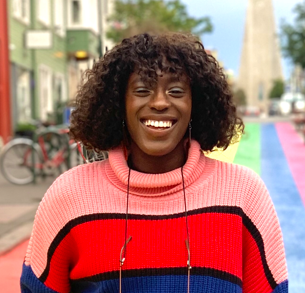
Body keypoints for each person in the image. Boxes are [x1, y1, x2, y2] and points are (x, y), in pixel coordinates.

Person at [20, 33, 288, 293]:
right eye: (142, 89)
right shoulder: (69, 196)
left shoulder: (244, 195)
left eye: (175, 90)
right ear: (118, 103)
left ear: (196, 103)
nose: (160, 102)